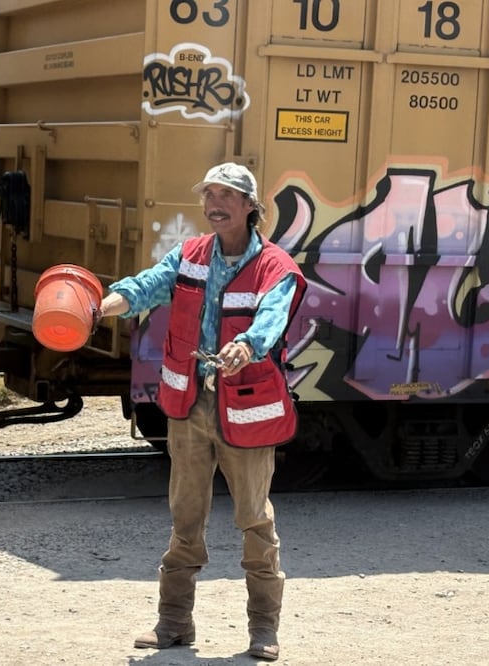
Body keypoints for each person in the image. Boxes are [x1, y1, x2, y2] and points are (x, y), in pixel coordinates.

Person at [94, 162, 307, 661]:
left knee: (254, 520)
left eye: (226, 196)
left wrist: (249, 344)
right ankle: (173, 625)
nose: (214, 203)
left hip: (247, 408)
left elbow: (274, 316)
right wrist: (101, 306)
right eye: (209, 194)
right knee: (184, 517)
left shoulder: (275, 266)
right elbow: (147, 284)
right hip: (190, 406)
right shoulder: (190, 256)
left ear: (251, 207)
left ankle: (262, 630)